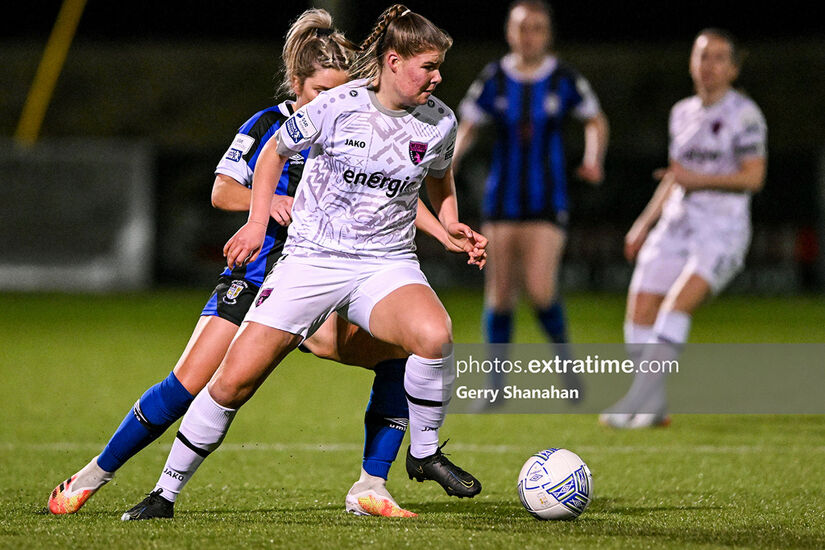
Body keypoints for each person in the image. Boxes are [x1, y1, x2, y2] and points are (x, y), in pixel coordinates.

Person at [47, 8, 482, 520]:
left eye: (339, 86)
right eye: (320, 89)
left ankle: (374, 483)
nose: (332, 95)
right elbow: (224, 188)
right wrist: (262, 209)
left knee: (404, 353)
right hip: (268, 270)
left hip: (358, 271)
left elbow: (401, 191)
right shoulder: (280, 124)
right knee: (200, 384)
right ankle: (100, 475)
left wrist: (445, 227)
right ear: (298, 86)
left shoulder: (421, 120)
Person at [600, 28, 767, 428]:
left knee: (675, 306)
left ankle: (639, 401)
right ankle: (653, 404)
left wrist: (697, 179)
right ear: (691, 63)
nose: (708, 65)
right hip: (676, 223)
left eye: (718, 58)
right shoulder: (682, 112)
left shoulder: (744, 115)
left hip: (721, 229)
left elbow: (753, 178)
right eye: (701, 56)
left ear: (733, 68)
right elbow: (677, 176)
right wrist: (643, 223)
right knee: (640, 306)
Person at [452, 0, 608, 392]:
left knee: (540, 289)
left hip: (547, 201)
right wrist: (446, 165)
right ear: (509, 32)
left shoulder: (563, 78)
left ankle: (569, 373)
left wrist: (593, 158)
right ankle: (495, 385)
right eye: (522, 27)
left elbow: (594, 118)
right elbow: (468, 124)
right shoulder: (494, 78)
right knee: (500, 293)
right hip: (501, 202)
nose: (529, 35)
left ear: (548, 34)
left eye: (537, 27)